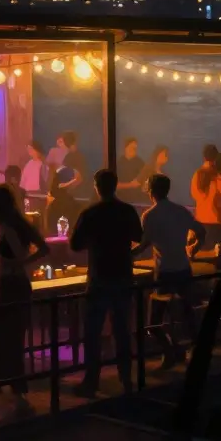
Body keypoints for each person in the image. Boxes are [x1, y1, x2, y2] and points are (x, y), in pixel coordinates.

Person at [0, 185, 50, 414]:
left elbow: (15, 256)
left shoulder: (8, 228)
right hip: (18, 285)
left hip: (11, 286)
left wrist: (12, 263)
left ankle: (14, 390)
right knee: (11, 339)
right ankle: (12, 388)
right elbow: (43, 249)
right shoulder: (19, 225)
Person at [69, 169, 143, 397]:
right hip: (123, 274)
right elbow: (139, 237)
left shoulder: (90, 213)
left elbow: (75, 244)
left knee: (92, 331)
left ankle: (91, 381)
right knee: (122, 330)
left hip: (99, 276)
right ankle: (126, 378)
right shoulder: (127, 211)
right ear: (116, 185)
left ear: (96, 187)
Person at [131, 173, 204, 368]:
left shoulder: (149, 215)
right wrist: (194, 248)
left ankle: (170, 351)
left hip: (164, 272)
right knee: (188, 313)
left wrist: (126, 256)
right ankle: (194, 351)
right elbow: (201, 231)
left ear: (151, 192)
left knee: (154, 321)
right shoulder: (181, 211)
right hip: (183, 268)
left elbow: (143, 244)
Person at [190, 144, 220, 244]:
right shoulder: (217, 174)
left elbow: (196, 194)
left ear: (204, 157)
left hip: (203, 217)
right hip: (216, 218)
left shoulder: (198, 173)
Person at [116, 137, 146, 204]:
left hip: (137, 199)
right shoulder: (118, 163)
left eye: (135, 148)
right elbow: (114, 185)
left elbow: (144, 181)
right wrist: (130, 185)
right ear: (125, 148)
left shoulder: (140, 163)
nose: (134, 149)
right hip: (121, 199)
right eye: (131, 147)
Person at [58, 131, 87, 197]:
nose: (60, 145)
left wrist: (63, 187)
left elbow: (78, 179)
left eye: (61, 142)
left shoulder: (74, 158)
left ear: (67, 143)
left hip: (74, 194)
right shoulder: (72, 156)